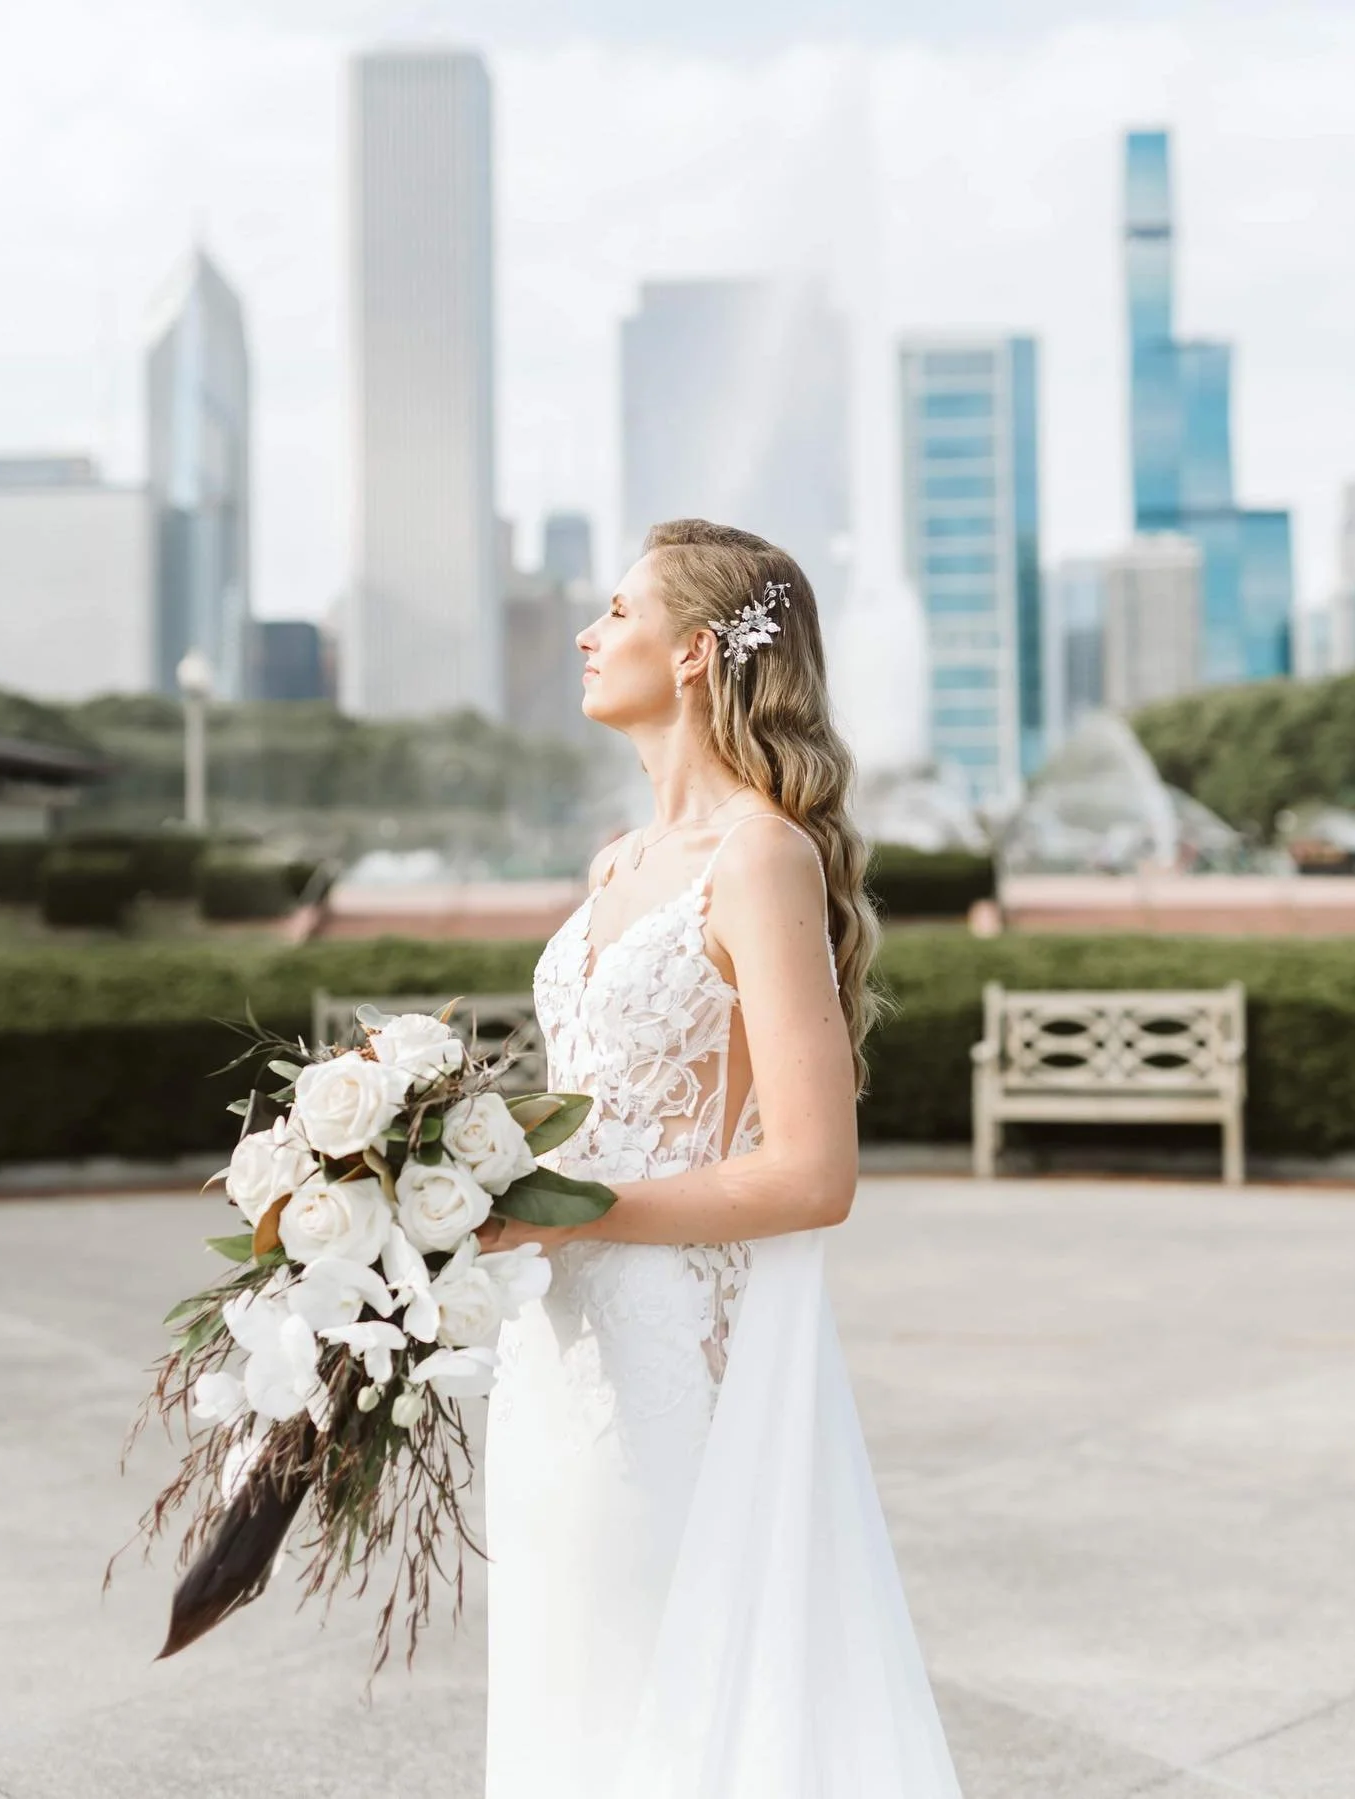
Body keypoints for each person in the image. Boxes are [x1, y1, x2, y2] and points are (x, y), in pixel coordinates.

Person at [477, 519, 965, 1798]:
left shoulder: (762, 854)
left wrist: (563, 1210)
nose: (588, 634)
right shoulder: (617, 864)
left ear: (693, 653)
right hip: (553, 1335)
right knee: (569, 1676)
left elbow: (814, 1173)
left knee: (675, 1693)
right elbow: (597, 1098)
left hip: (672, 1342)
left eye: (618, 613)